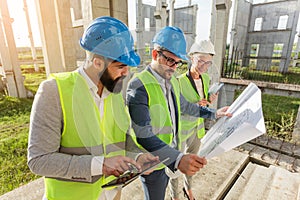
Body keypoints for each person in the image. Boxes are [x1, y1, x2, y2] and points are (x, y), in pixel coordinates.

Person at [27, 16, 157, 200]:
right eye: (120, 66)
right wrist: (100, 165)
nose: (126, 73)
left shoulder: (114, 91)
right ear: (97, 63)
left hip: (111, 194)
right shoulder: (54, 91)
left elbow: (119, 138)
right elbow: (39, 161)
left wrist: (137, 157)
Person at [126, 26, 231, 200]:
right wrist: (178, 159)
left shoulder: (172, 81)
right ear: (155, 55)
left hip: (171, 152)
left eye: (178, 62)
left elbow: (186, 107)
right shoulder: (138, 85)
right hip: (153, 162)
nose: (174, 67)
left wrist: (214, 113)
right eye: (169, 61)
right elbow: (143, 134)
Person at [169, 40, 218, 200]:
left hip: (197, 129)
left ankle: (187, 189)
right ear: (191, 58)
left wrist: (209, 100)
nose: (204, 66)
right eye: (201, 61)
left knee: (193, 163)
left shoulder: (205, 79)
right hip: (182, 131)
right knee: (176, 164)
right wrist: (196, 105)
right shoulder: (178, 81)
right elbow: (176, 108)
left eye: (208, 63)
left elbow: (203, 102)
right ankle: (174, 195)